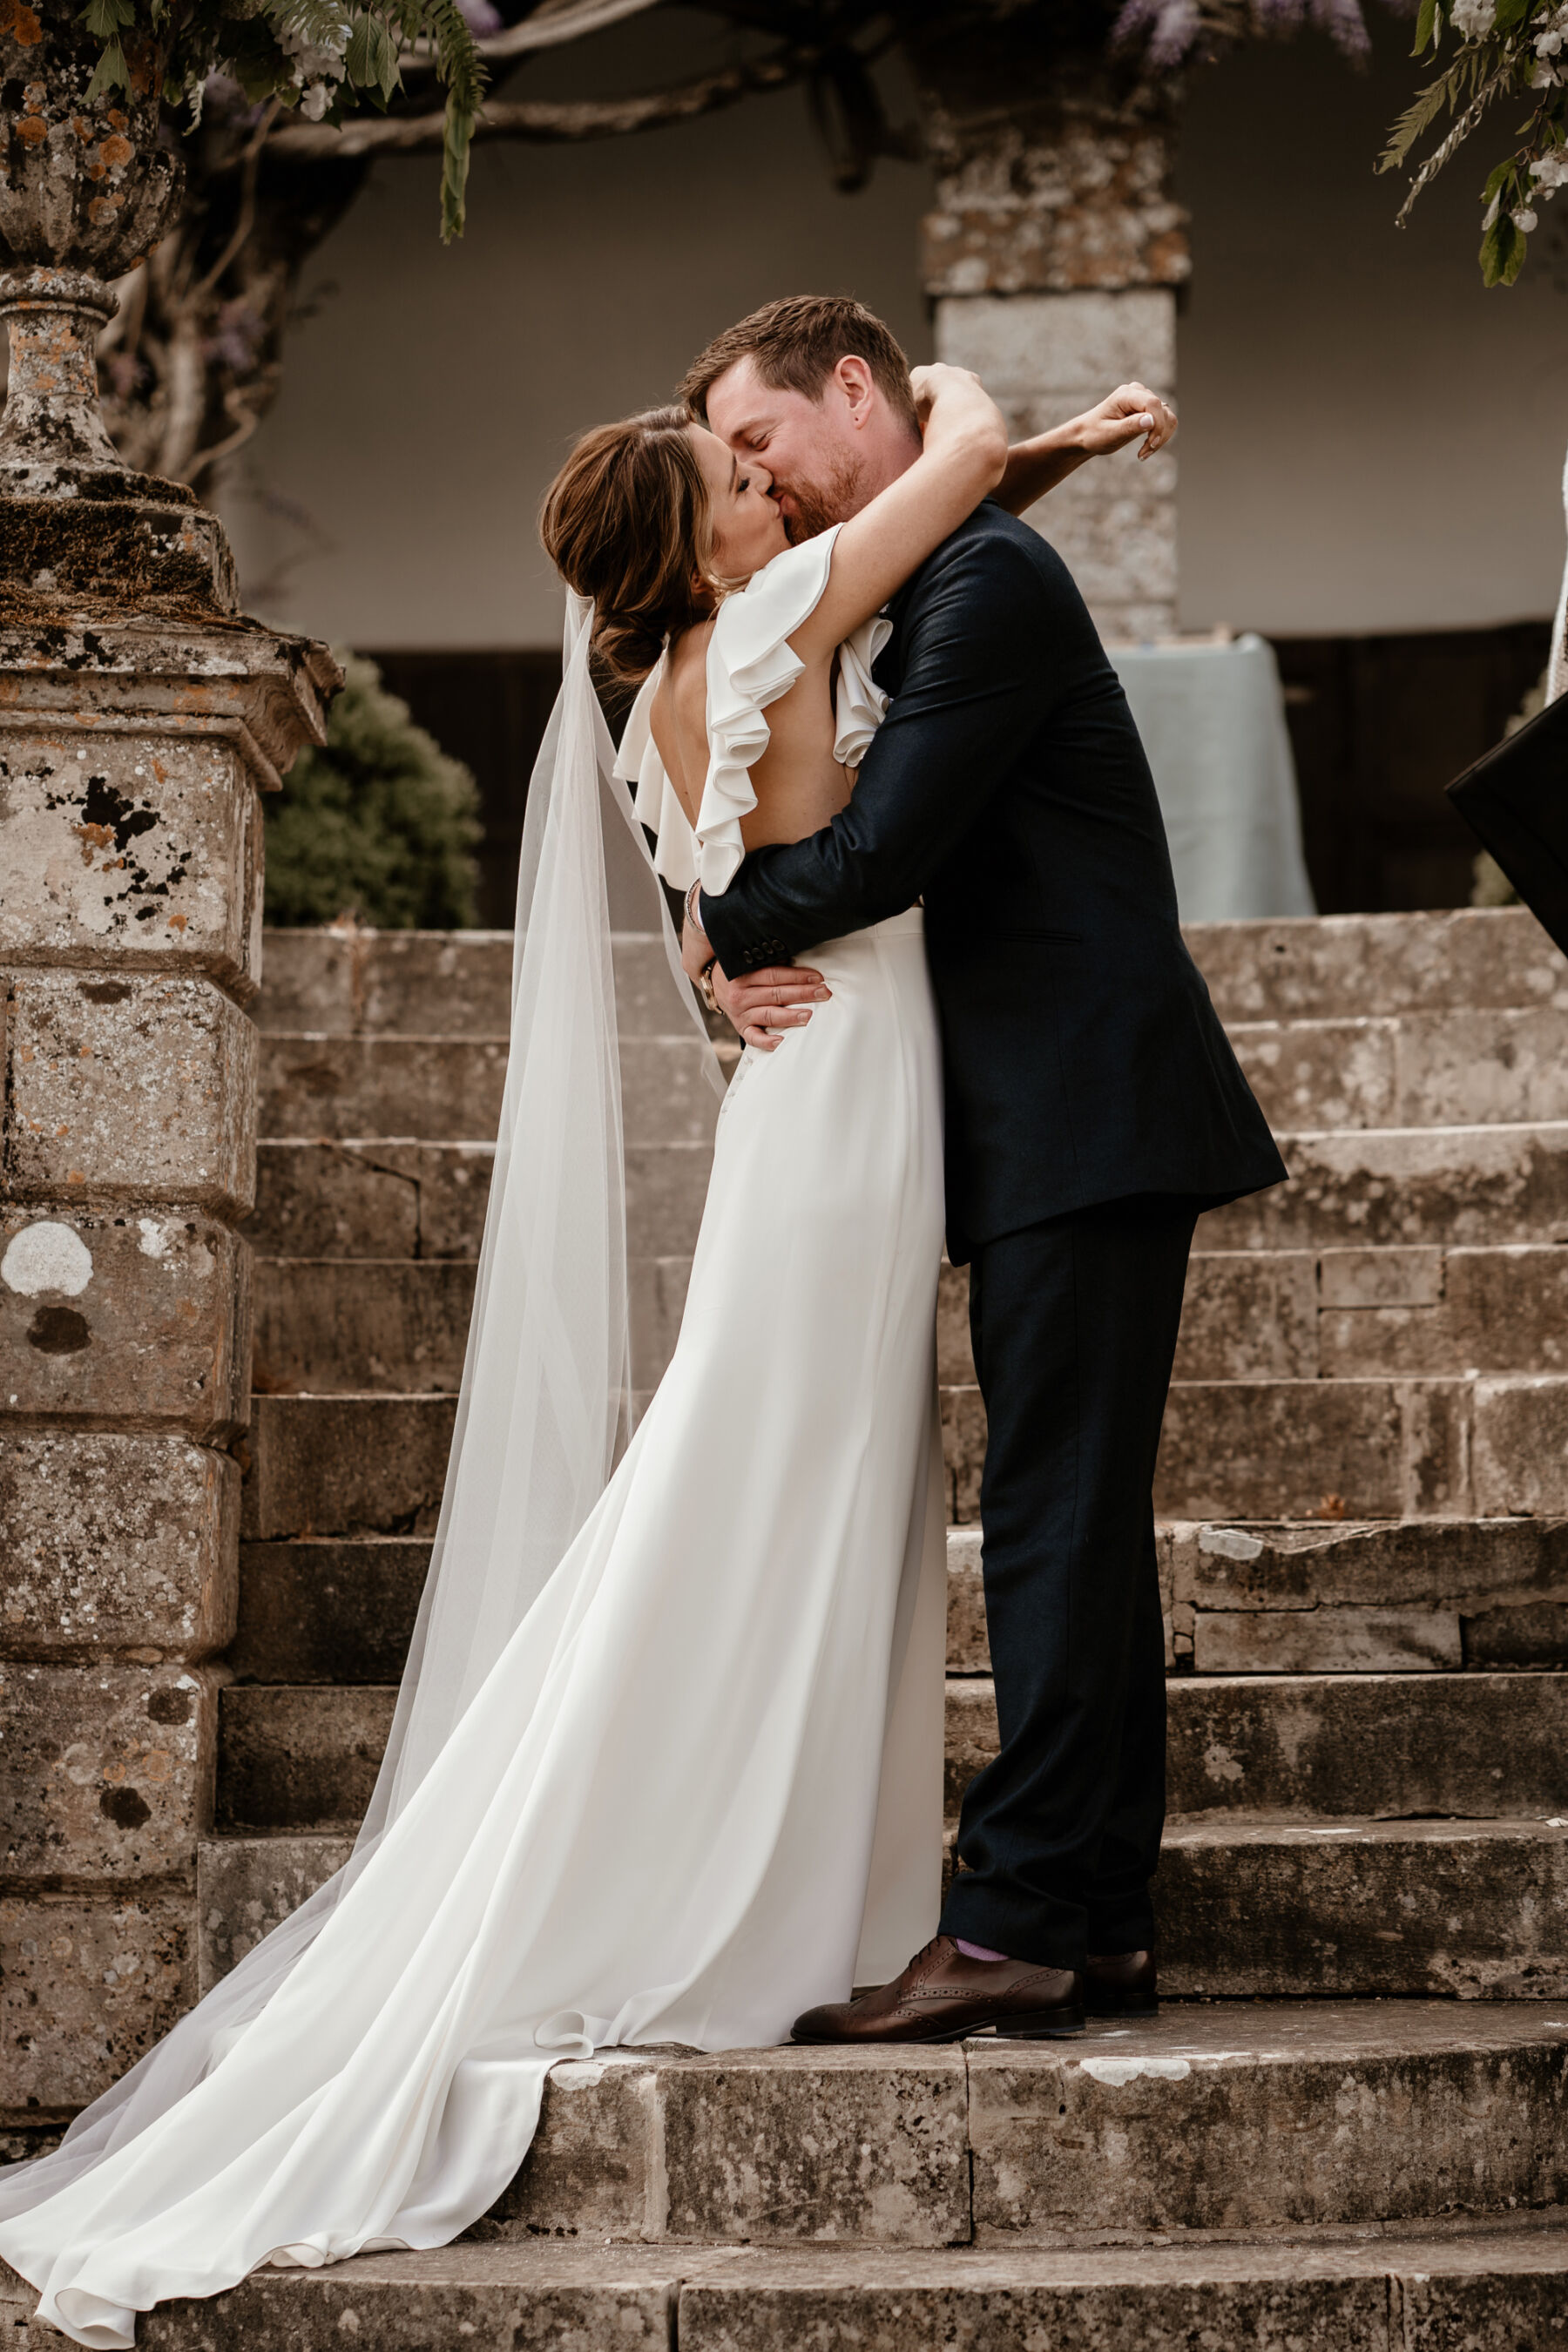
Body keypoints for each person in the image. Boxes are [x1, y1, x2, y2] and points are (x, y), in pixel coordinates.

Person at [0, 353, 1157, 2348]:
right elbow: (946, 457)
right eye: (738, 468)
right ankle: (738, 1869)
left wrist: (722, 944)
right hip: (851, 1093)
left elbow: (781, 778)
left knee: (790, 1472)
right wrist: (1013, 410)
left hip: (823, 1106)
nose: (767, 483)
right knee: (772, 1474)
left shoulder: (651, 691)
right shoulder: (780, 612)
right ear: (702, 537)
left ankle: (820, 1864)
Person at [678, 295, 1288, 2044]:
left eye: (765, 443)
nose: (762, 481)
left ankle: (1019, 1917)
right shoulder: (942, 568)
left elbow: (886, 853)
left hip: (1082, 1105)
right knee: (1075, 1521)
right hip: (1041, 1113)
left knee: (1050, 1515)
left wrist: (723, 923)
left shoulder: (986, 586)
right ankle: (1093, 1920)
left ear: (850, 394)